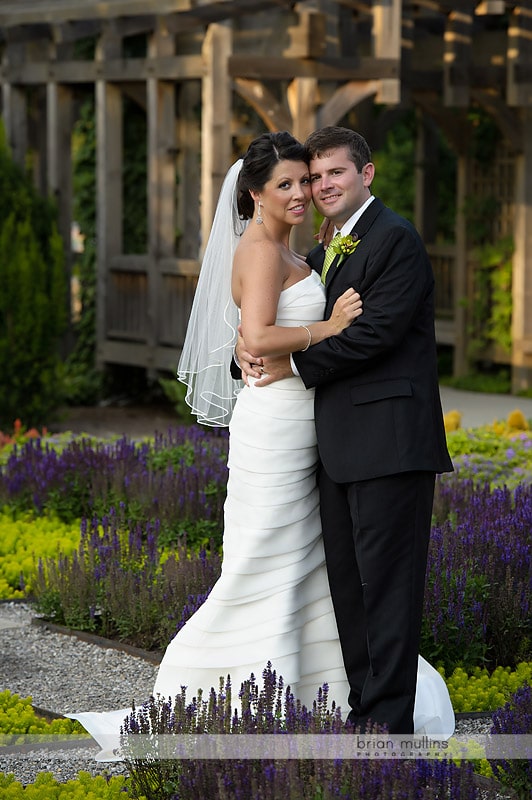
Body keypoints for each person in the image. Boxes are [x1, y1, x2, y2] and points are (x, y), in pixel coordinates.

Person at [67, 131, 367, 759]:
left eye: (303, 182)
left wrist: (285, 341)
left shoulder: (295, 251)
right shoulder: (261, 252)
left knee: (301, 558)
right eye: (283, 184)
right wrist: (330, 325)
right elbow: (258, 333)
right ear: (254, 193)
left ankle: (307, 690)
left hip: (300, 417)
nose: (300, 194)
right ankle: (211, 690)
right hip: (276, 427)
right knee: (263, 556)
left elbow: (257, 340)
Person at [236, 126, 454, 735]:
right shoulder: (326, 244)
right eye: (313, 176)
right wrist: (245, 350)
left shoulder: (395, 240)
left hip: (390, 443)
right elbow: (284, 316)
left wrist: (291, 362)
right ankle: (362, 707)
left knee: (388, 587)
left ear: (367, 174)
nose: (320, 185)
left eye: (334, 172)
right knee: (348, 589)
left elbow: (375, 334)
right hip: (333, 446)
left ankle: (387, 723)